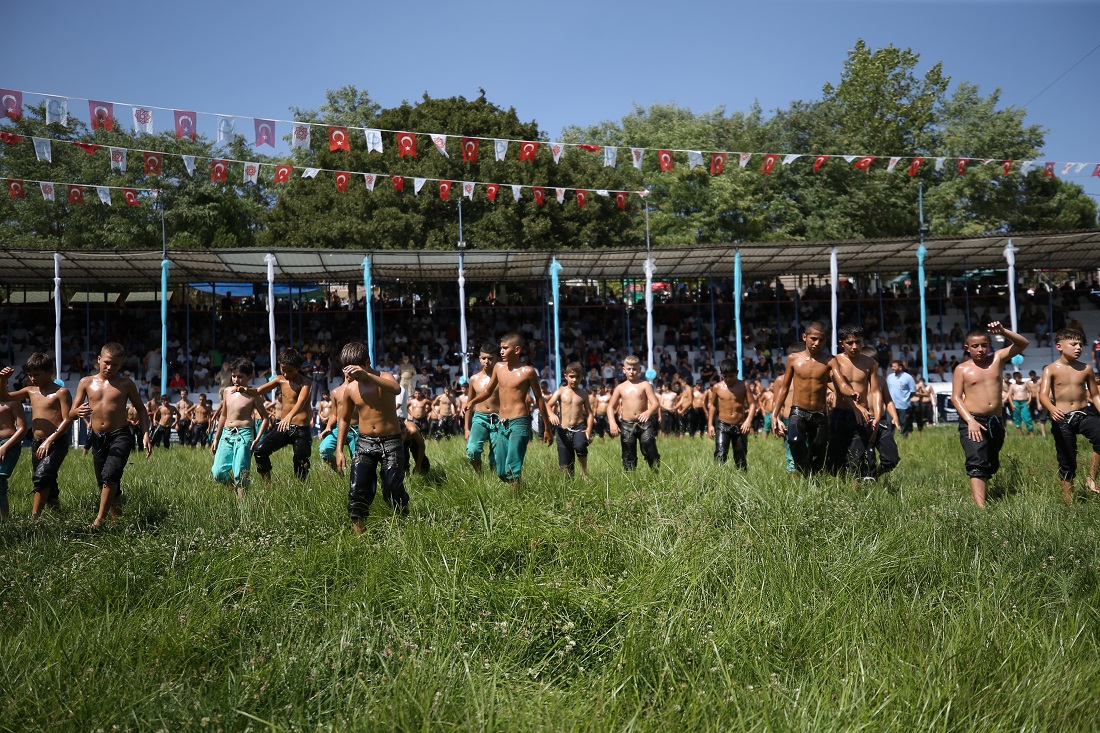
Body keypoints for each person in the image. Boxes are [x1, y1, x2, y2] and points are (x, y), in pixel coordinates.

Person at [70, 343, 153, 529]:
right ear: (99, 360)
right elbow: (70, 412)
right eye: (106, 362)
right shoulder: (86, 382)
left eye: (115, 365)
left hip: (120, 435)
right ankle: (118, 520)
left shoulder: (126, 384)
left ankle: (99, 521)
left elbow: (141, 409)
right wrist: (76, 413)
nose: (110, 367)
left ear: (121, 365)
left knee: (110, 475)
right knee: (104, 482)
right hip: (98, 437)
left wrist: (146, 434)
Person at [951, 323, 1029, 507]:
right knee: (977, 461)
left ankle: (981, 490)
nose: (980, 349)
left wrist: (1003, 332)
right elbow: (955, 397)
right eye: (975, 346)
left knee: (991, 462)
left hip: (995, 420)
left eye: (984, 345)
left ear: (989, 345)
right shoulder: (962, 369)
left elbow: (1023, 343)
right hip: (973, 420)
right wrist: (970, 421)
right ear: (967, 347)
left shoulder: (997, 359)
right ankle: (980, 508)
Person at [770, 322, 862, 478]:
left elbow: (840, 384)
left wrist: (851, 392)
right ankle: (805, 472)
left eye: (821, 340)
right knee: (794, 440)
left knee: (818, 455)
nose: (817, 343)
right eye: (813, 339)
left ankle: (814, 482)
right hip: (798, 412)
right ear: (805, 337)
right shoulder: (793, 359)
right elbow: (784, 388)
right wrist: (775, 415)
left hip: (820, 415)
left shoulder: (829, 360)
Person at [335, 341, 407, 531]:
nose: (351, 374)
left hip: (391, 441)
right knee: (357, 491)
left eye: (354, 369)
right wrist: (339, 450)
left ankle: (405, 521)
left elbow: (396, 389)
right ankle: (361, 538)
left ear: (367, 362)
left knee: (392, 489)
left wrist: (367, 376)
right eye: (347, 370)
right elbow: (343, 420)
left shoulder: (384, 377)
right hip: (365, 443)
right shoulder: (350, 389)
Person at [465, 332, 552, 487]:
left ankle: (517, 502)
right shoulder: (498, 367)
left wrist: (547, 428)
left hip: (519, 421)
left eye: (505, 348)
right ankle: (516, 488)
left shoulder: (528, 372)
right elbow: (488, 391)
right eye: (501, 348)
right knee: (501, 471)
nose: (501, 351)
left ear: (517, 350)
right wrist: (472, 402)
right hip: (502, 422)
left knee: (512, 468)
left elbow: (539, 399)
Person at [0, 352, 76, 517]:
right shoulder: (30, 391)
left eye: (37, 374)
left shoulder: (61, 392)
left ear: (50, 372)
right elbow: (4, 396)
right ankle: (58, 515)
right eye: (30, 375)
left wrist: (50, 440)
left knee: (41, 478)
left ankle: (35, 518)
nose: (33, 378)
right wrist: (4, 380)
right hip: (37, 443)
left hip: (55, 442)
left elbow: (67, 419)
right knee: (48, 480)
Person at [1038, 328, 1100, 504]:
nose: (1078, 347)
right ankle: (1068, 501)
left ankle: (1091, 477)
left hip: (1083, 413)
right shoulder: (1051, 369)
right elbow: (1043, 395)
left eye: (1080, 344)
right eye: (1073, 344)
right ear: (1059, 346)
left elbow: (1094, 395)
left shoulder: (1086, 368)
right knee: (1067, 459)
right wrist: (1051, 408)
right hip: (1062, 417)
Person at [248, 348, 312, 484]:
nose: (286, 374)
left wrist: (289, 417)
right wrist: (244, 389)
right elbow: (258, 390)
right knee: (260, 450)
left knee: (301, 460)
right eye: (283, 369)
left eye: (290, 371)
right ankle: (267, 486)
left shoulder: (305, 383)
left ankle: (301, 490)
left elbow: (301, 402)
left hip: (301, 429)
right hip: (284, 426)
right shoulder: (280, 380)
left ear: (298, 368)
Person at [825, 326, 881, 481]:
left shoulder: (869, 363)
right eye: (850, 343)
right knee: (836, 460)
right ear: (842, 343)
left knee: (856, 458)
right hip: (840, 414)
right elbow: (838, 386)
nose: (855, 346)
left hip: (862, 415)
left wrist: (877, 415)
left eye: (858, 342)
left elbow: (875, 391)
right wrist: (854, 406)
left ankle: (854, 492)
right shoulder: (834, 361)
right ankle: (838, 490)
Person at [210, 358, 269, 497]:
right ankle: (236, 491)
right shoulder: (227, 392)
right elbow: (223, 415)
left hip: (244, 436)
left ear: (249, 376)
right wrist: (216, 438)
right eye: (234, 376)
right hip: (226, 434)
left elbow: (266, 418)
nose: (236, 379)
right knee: (218, 472)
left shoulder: (254, 394)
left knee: (241, 474)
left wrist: (257, 439)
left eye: (240, 376)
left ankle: (242, 508)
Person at [607, 355, 661, 471]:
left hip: (644, 424)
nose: (632, 372)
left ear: (640, 370)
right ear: (624, 370)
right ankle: (631, 481)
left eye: (634, 369)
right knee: (628, 456)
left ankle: (657, 475)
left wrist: (648, 412)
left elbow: (656, 403)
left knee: (651, 451)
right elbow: (610, 407)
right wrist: (612, 423)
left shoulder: (645, 385)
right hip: (627, 425)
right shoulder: (620, 388)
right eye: (629, 369)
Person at [546, 362, 595, 478]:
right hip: (563, 429)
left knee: (580, 446)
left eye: (577, 377)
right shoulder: (560, 391)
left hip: (579, 428)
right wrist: (552, 414)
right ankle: (569, 479)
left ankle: (584, 474)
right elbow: (548, 405)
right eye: (572, 376)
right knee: (565, 468)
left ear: (582, 377)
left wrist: (588, 430)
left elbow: (590, 413)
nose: (574, 380)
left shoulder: (583, 394)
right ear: (566, 376)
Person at [705, 358, 757, 469]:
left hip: (740, 426)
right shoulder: (717, 387)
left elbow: (752, 404)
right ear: (721, 374)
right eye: (725, 376)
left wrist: (748, 421)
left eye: (731, 376)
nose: (728, 379)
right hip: (723, 425)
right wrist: (710, 425)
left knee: (740, 456)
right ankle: (719, 479)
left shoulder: (744, 386)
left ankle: (742, 480)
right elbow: (713, 406)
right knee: (720, 454)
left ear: (737, 373)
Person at [464, 344, 499, 473]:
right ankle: (480, 475)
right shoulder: (474, 379)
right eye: (484, 358)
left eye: (490, 358)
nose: (487, 361)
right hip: (479, 417)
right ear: (479, 358)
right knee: (472, 451)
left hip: (498, 418)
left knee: (497, 455)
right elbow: (469, 404)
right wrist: (466, 428)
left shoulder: (502, 378)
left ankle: (495, 480)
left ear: (496, 358)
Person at [0, 376, 29, 520]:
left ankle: (5, 519)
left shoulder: (13, 402)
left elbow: (23, 428)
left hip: (8, 443)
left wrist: (5, 447)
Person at [318, 371, 358, 473]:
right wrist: (328, 427)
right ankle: (340, 473)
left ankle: (356, 480)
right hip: (339, 428)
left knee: (358, 460)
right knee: (324, 450)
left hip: (357, 429)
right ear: (343, 370)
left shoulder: (361, 389)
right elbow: (334, 414)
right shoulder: (336, 392)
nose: (350, 373)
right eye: (348, 370)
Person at [886, 360, 916, 437]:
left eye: (894, 366)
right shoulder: (889, 377)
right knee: (889, 423)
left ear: (900, 367)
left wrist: (905, 399)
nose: (892, 368)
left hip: (903, 406)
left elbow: (913, 391)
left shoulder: (908, 378)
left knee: (904, 423)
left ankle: (904, 440)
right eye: (892, 366)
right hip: (891, 405)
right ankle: (890, 439)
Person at [1007, 372, 1034, 436]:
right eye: (1018, 377)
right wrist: (1012, 404)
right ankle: (1020, 434)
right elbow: (1009, 395)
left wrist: (1029, 401)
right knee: (1017, 418)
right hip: (1016, 402)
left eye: (1020, 377)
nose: (1020, 379)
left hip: (1024, 402)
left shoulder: (1025, 384)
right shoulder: (1012, 386)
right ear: (1015, 378)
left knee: (1027, 417)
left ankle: (1031, 433)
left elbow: (1030, 392)